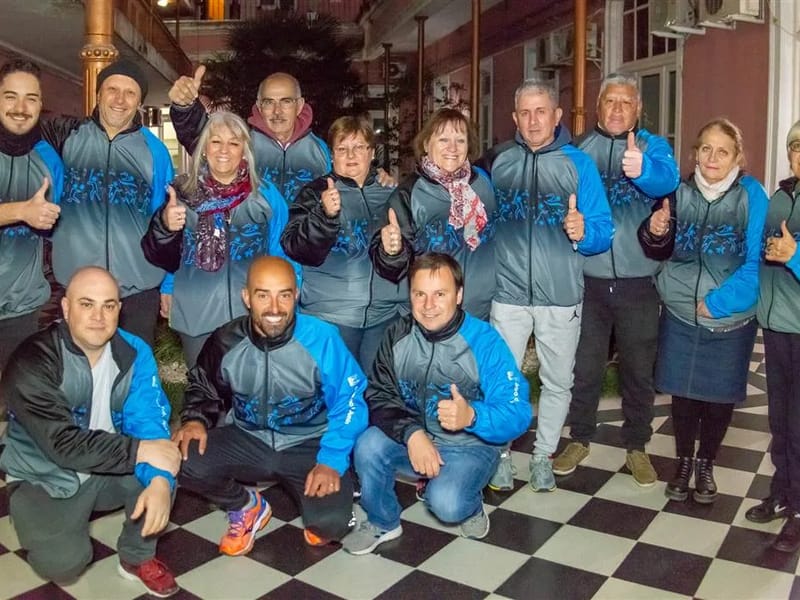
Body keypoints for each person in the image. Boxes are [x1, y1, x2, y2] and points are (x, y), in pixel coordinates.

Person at [0, 266, 181, 597]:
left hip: (106, 466)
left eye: (109, 305)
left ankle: (136, 558)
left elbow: (149, 422)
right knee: (65, 564)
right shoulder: (33, 361)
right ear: (66, 308)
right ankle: (30, 509)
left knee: (164, 464)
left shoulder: (134, 351)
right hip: (47, 473)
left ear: (119, 309)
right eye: (87, 304)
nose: (99, 316)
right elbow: (62, 445)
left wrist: (158, 481)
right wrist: (139, 451)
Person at [173, 256, 367, 554]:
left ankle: (333, 495)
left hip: (308, 443)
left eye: (284, 295)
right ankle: (246, 506)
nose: (275, 308)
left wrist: (331, 459)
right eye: (263, 295)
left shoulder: (321, 338)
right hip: (248, 438)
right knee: (182, 457)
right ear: (247, 297)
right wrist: (195, 419)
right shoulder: (226, 340)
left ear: (296, 296)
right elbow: (204, 385)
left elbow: (350, 399)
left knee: (329, 525)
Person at [341, 253, 530, 554]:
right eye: (420, 294)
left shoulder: (485, 341)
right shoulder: (398, 334)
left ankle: (470, 505)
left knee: (447, 503)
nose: (428, 306)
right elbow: (378, 394)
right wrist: (412, 433)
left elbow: (519, 412)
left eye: (440, 294)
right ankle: (382, 522)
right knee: (366, 444)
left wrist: (473, 416)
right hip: (417, 440)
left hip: (471, 446)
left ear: (459, 295)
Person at [479, 79, 613, 492]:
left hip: (560, 297)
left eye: (542, 111)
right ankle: (500, 455)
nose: (533, 120)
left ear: (557, 115)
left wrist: (583, 230)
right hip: (508, 294)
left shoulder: (579, 165)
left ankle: (542, 456)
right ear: (515, 117)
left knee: (558, 381)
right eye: (525, 112)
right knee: (501, 379)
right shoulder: (498, 163)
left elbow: (603, 232)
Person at [554, 73, 680, 486]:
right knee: (585, 368)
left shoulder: (653, 148)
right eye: (611, 101)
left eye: (627, 103)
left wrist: (641, 169)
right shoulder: (577, 152)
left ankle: (637, 446)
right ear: (598, 106)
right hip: (586, 282)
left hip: (638, 280)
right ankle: (580, 437)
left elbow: (667, 179)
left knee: (638, 371)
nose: (618, 109)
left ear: (638, 109)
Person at [638, 117, 767, 505]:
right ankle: (683, 462)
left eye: (722, 151)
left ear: (737, 157)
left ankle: (706, 463)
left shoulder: (751, 196)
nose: (712, 157)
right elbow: (656, 249)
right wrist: (655, 230)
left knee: (717, 399)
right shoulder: (678, 191)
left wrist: (716, 303)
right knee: (683, 395)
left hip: (729, 319)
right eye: (706, 148)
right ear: (695, 152)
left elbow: (756, 263)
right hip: (679, 312)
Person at [140, 111, 290, 368]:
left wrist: (289, 290)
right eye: (216, 141)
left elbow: (282, 249)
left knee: (247, 390)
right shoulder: (182, 194)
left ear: (245, 151)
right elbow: (170, 251)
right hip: (196, 306)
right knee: (202, 391)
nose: (224, 150)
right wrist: (167, 287)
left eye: (233, 143)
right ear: (204, 148)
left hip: (251, 311)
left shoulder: (265, 195)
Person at [42, 59, 173, 347]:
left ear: (139, 102)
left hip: (137, 290)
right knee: (78, 379)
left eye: (130, 93)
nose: (120, 99)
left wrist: (169, 285)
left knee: (132, 375)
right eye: (112, 89)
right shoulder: (66, 137)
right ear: (98, 94)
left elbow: (166, 224)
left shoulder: (156, 151)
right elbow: (21, 138)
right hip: (78, 288)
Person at [281, 116, 406, 371]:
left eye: (359, 147)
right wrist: (324, 215)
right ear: (331, 155)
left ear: (372, 153)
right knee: (334, 394)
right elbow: (296, 247)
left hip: (383, 317)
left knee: (377, 395)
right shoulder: (315, 193)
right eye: (342, 148)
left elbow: (410, 254)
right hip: (330, 317)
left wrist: (396, 250)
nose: (351, 155)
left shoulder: (392, 192)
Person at [371, 108, 497, 321]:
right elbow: (391, 268)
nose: (452, 148)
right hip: (429, 316)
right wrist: (391, 252)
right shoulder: (409, 192)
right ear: (426, 144)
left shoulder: (483, 184)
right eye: (443, 140)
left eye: (460, 140)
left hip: (481, 315)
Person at [746, 120, 800, 552]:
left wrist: (795, 256)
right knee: (780, 423)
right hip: (778, 326)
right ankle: (783, 492)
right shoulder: (780, 198)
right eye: (797, 148)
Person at [168, 68, 330, 205]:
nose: (277, 111)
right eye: (268, 102)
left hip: (307, 241)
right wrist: (185, 107)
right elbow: (202, 139)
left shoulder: (321, 151)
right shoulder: (242, 143)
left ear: (300, 105)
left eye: (286, 101)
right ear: (259, 106)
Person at [0, 59, 63, 370]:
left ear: (41, 105)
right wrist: (20, 211)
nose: (20, 107)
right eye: (10, 96)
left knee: (15, 405)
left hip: (23, 309)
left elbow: (54, 226)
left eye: (31, 98)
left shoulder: (48, 159)